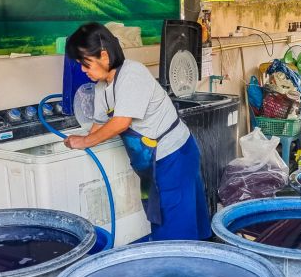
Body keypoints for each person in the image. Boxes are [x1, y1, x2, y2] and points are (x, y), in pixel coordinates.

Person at [63, 22, 211, 241]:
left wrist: (84, 142)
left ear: (104, 55)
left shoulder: (132, 73)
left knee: (176, 230)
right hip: (153, 162)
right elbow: (98, 124)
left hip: (174, 156)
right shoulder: (102, 87)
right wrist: (77, 142)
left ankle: (184, 262)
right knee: (174, 219)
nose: (83, 70)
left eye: (85, 64)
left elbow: (121, 122)